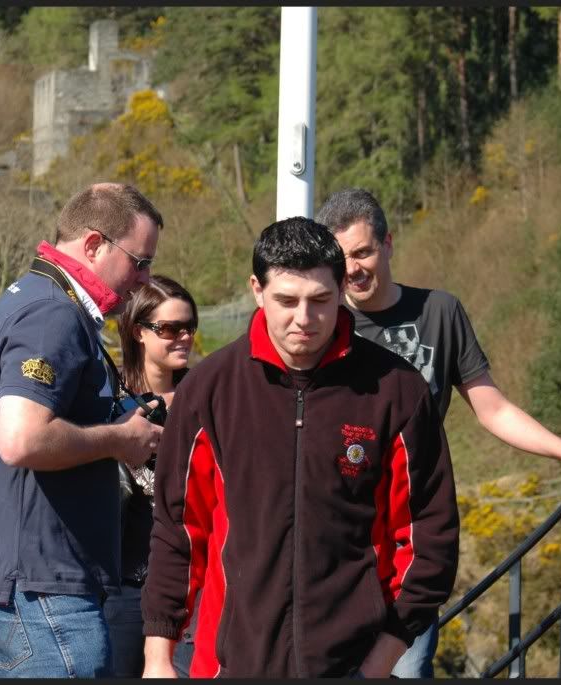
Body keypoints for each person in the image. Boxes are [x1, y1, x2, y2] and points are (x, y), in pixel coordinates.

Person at [314, 187, 561, 678]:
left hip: (411, 539)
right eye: (342, 258)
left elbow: (492, 409)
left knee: (407, 670)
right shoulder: (323, 321)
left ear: (388, 243)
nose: (353, 269)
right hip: (336, 539)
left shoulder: (440, 313)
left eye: (363, 252)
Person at [139, 217, 461, 678]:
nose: (304, 319)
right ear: (257, 290)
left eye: (320, 300)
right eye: (287, 301)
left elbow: (429, 535)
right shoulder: (209, 390)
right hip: (229, 664)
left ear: (343, 289)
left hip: (354, 665)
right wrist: (158, 657)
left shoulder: (397, 391)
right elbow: (178, 530)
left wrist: (379, 661)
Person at [0, 183, 166, 678]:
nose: (144, 279)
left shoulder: (34, 298)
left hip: (10, 587)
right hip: (34, 593)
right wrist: (121, 439)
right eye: (139, 263)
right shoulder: (53, 314)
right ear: (94, 245)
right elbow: (22, 439)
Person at [104, 275, 199, 678]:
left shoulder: (205, 394)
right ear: (138, 332)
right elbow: (49, 439)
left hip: (188, 581)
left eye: (190, 326)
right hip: (122, 580)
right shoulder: (105, 397)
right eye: (170, 329)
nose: (184, 337)